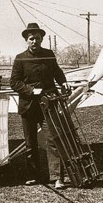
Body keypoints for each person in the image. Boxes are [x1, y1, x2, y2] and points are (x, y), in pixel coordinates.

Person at [10, 23, 70, 189]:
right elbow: (14, 82)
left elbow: (57, 72)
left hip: (48, 105)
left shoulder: (49, 55)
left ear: (42, 39)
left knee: (52, 140)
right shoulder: (20, 58)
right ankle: (33, 176)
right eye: (31, 39)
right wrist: (30, 90)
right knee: (31, 143)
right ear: (26, 40)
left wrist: (63, 83)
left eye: (37, 38)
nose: (34, 41)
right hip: (28, 106)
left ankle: (57, 178)